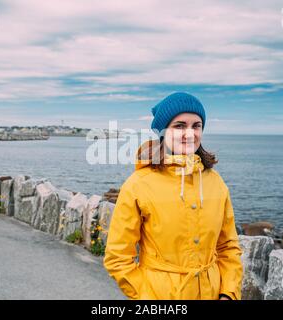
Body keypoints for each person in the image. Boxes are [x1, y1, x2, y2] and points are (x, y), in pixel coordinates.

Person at [103, 92, 243, 300]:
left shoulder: (216, 183)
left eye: (196, 125)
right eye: (179, 126)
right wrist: (148, 297)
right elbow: (117, 258)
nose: (190, 133)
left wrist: (228, 294)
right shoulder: (138, 185)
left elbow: (228, 247)